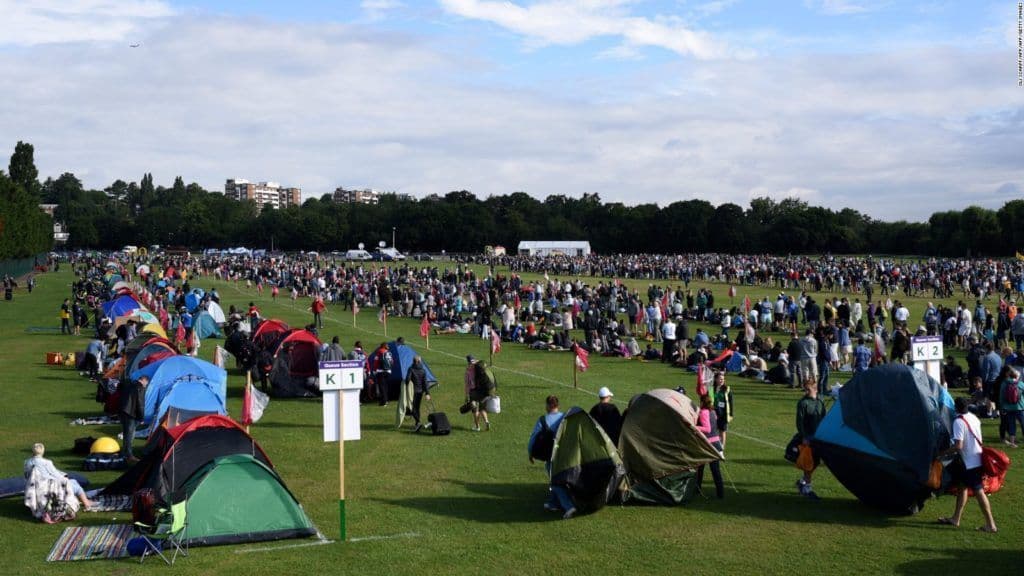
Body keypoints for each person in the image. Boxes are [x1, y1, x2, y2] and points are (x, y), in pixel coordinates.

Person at [937, 397, 998, 532]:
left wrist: (942, 453)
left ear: (956, 408)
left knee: (979, 492)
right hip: (976, 459)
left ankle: (990, 524)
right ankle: (955, 518)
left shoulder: (958, 421)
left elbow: (959, 445)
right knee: (962, 487)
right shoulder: (973, 417)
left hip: (970, 463)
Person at [528, 395, 575, 519]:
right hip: (565, 455)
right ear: (557, 405)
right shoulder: (565, 417)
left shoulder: (543, 420)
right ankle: (553, 503)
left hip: (551, 456)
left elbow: (533, 438)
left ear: (548, 405)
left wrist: (530, 453)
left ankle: (569, 506)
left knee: (555, 482)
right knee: (558, 480)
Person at [24, 443, 93, 509]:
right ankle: (87, 503)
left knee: (73, 481)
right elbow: (55, 474)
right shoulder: (47, 462)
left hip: (36, 488)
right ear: (43, 451)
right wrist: (64, 476)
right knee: (76, 486)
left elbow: (27, 476)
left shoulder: (27, 462)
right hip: (50, 487)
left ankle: (75, 499)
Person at [795, 377, 826, 499]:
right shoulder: (803, 403)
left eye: (808, 390)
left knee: (816, 462)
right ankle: (807, 488)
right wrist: (804, 437)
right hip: (808, 437)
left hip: (819, 437)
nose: (806, 392)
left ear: (815, 389)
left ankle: (802, 482)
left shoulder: (820, 402)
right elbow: (799, 422)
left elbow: (824, 418)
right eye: (805, 389)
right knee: (809, 463)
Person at [695, 393, 724, 499]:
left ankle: (697, 489)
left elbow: (707, 429)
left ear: (702, 402)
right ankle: (720, 493)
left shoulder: (703, 412)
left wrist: (695, 427)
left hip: (708, 444)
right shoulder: (713, 411)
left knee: (700, 468)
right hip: (716, 443)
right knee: (715, 470)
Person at [120, 375, 148, 461]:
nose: (145, 386)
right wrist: (142, 417)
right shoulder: (140, 388)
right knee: (130, 435)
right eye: (146, 384)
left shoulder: (130, 384)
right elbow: (140, 404)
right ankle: (129, 454)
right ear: (144, 381)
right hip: (131, 413)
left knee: (126, 433)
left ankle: (124, 452)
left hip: (124, 411)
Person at [400, 356, 431, 432]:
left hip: (412, 392)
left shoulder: (411, 369)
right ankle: (417, 424)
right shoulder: (423, 370)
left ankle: (418, 422)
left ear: (413, 361)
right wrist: (427, 393)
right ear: (419, 362)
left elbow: (407, 380)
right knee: (417, 408)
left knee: (412, 408)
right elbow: (425, 383)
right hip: (420, 392)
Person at [997, 366, 1024, 447]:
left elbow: (1001, 397)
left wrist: (1002, 406)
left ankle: (1012, 443)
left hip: (1008, 408)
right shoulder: (1021, 384)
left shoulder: (1004, 383)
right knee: (1023, 423)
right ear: (1016, 376)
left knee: (1012, 425)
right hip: (1019, 407)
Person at [464, 355, 492, 431]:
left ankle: (477, 427)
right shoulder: (479, 368)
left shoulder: (468, 371)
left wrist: (466, 396)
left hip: (473, 392)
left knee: (475, 410)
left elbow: (467, 385)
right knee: (482, 408)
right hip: (482, 391)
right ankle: (486, 421)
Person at [713, 372, 734, 448]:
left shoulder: (727, 390)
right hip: (713, 413)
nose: (722, 380)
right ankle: (715, 445)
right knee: (714, 430)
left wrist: (731, 414)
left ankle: (722, 447)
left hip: (723, 414)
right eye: (720, 379)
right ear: (715, 379)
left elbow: (731, 402)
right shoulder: (712, 388)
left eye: (723, 379)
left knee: (722, 431)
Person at [372, 342, 393, 406]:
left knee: (382, 387)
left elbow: (376, 362)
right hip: (388, 371)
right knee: (385, 386)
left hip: (381, 371)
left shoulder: (379, 352)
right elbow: (392, 362)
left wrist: (374, 370)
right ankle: (386, 400)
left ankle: (383, 401)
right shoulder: (389, 353)